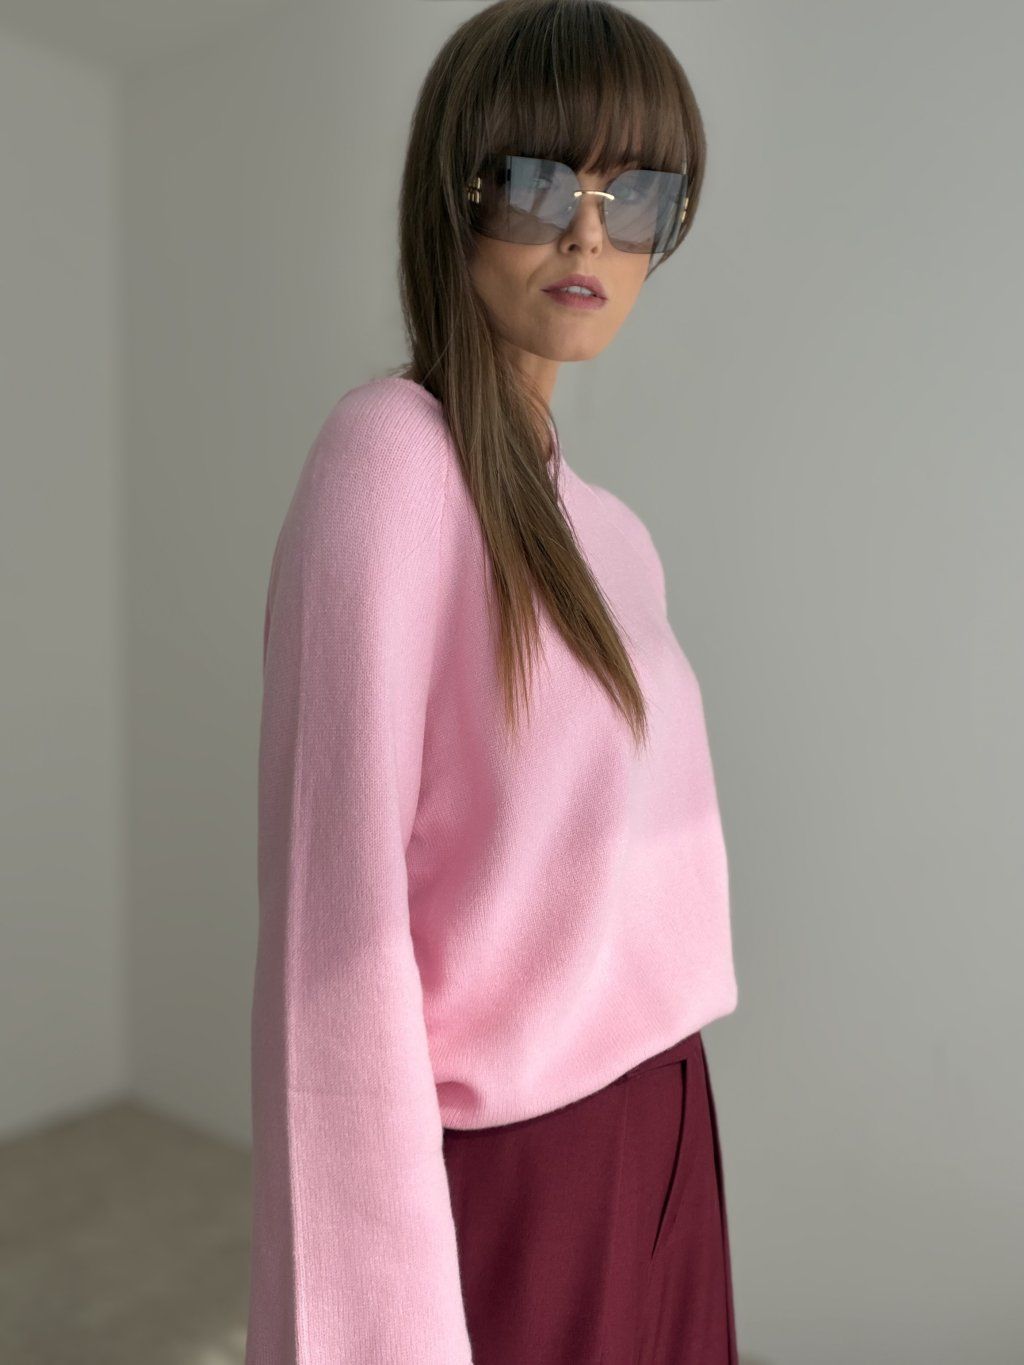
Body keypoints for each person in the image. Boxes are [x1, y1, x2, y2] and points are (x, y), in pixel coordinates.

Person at [244, 1, 739, 1361]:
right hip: (527, 1171)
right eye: (537, 181)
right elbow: (335, 942)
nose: (589, 234)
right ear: (454, 195)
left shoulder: (616, 534)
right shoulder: (389, 462)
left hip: (668, 1124)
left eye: (638, 195)